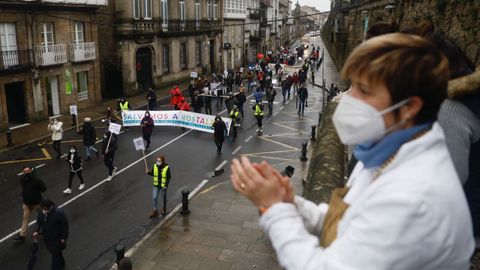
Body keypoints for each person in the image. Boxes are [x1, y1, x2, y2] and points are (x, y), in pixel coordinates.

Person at [230, 33, 474, 269]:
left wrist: (275, 210)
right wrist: (292, 204)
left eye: (364, 91)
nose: (348, 97)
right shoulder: (391, 151)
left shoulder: (412, 197)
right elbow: (347, 222)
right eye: (353, 85)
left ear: (410, 106)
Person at [13, 166, 47, 243]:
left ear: (31, 171)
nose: (26, 172)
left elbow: (44, 188)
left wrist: (36, 192)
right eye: (25, 171)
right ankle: (22, 235)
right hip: (27, 203)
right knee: (25, 218)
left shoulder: (37, 180)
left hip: (37, 203)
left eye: (28, 170)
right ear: (23, 172)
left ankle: (46, 229)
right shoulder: (22, 180)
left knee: (42, 217)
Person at [33, 199, 69, 270]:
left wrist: (63, 237)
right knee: (57, 253)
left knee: (55, 254)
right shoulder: (42, 212)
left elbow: (65, 225)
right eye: (42, 209)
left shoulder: (58, 213)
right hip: (47, 237)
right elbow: (38, 222)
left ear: (50, 207)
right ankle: (62, 264)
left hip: (57, 238)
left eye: (45, 209)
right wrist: (36, 230)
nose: (44, 211)